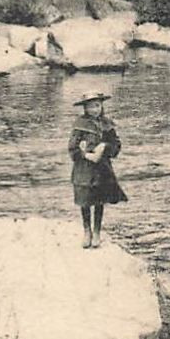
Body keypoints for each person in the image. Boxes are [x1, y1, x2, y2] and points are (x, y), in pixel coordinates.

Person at [68, 91, 125, 248]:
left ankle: (97, 232)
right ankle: (87, 231)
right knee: (85, 200)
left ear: (101, 106)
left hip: (102, 168)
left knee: (100, 200)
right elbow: (72, 148)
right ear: (85, 108)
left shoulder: (107, 124)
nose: (94, 110)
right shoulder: (80, 125)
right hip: (84, 168)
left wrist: (104, 146)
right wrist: (85, 155)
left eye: (97, 106)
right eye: (91, 107)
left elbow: (116, 146)